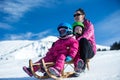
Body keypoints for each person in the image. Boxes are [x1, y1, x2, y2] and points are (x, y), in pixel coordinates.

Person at [72, 8, 97, 76]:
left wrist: (74, 42)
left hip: (89, 50)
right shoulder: (75, 26)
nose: (76, 16)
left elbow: (87, 35)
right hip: (79, 49)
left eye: (78, 14)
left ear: (83, 16)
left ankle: (82, 68)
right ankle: (57, 68)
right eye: (74, 15)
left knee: (83, 40)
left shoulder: (89, 25)